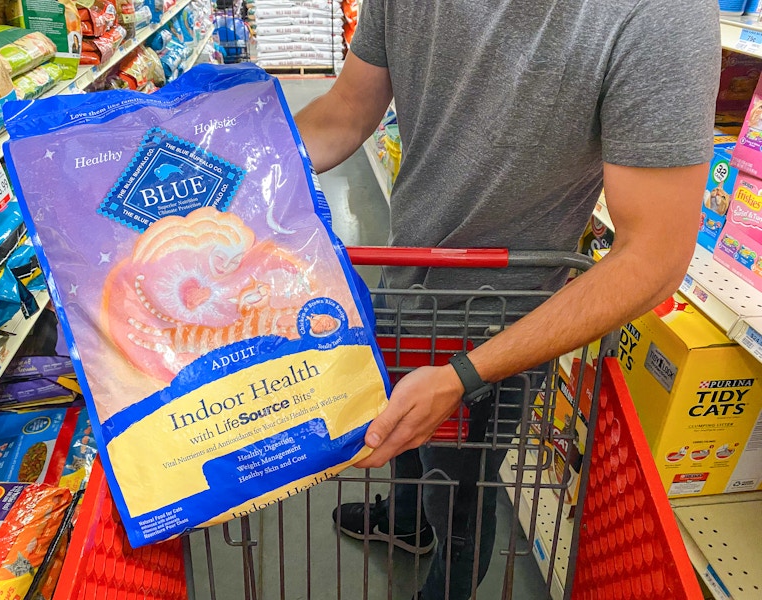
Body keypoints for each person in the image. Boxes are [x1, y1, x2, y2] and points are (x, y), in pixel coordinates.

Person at [294, 2, 721, 599]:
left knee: (461, 490)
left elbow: (653, 258)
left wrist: (463, 375)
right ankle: (405, 521)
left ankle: (445, 585)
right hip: (406, 276)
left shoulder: (657, 16)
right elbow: (347, 108)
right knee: (398, 425)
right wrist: (241, 173)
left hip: (499, 326)